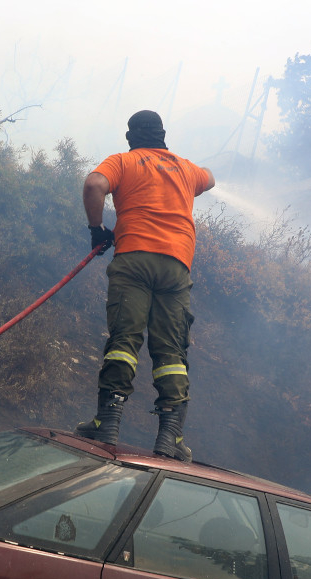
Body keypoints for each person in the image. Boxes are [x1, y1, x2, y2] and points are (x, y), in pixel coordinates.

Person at [75, 110, 215, 462]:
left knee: (124, 341)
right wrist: (191, 173)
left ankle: (107, 423)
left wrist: (96, 228)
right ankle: (170, 436)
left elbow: (94, 185)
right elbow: (210, 179)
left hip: (135, 258)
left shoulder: (125, 161)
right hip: (176, 265)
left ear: (130, 137)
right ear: (163, 135)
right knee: (171, 354)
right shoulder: (185, 169)